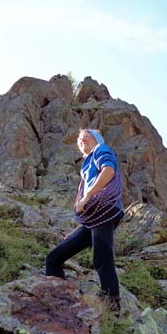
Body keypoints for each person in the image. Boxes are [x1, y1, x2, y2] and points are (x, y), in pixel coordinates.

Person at [45, 128, 125, 311]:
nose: (81, 140)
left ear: (97, 139)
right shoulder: (87, 164)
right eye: (79, 139)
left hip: (105, 210)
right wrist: (77, 230)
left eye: (86, 137)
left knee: (102, 257)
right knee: (54, 258)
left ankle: (112, 309)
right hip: (93, 218)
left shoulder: (101, 150)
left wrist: (87, 197)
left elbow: (109, 171)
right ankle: (60, 301)